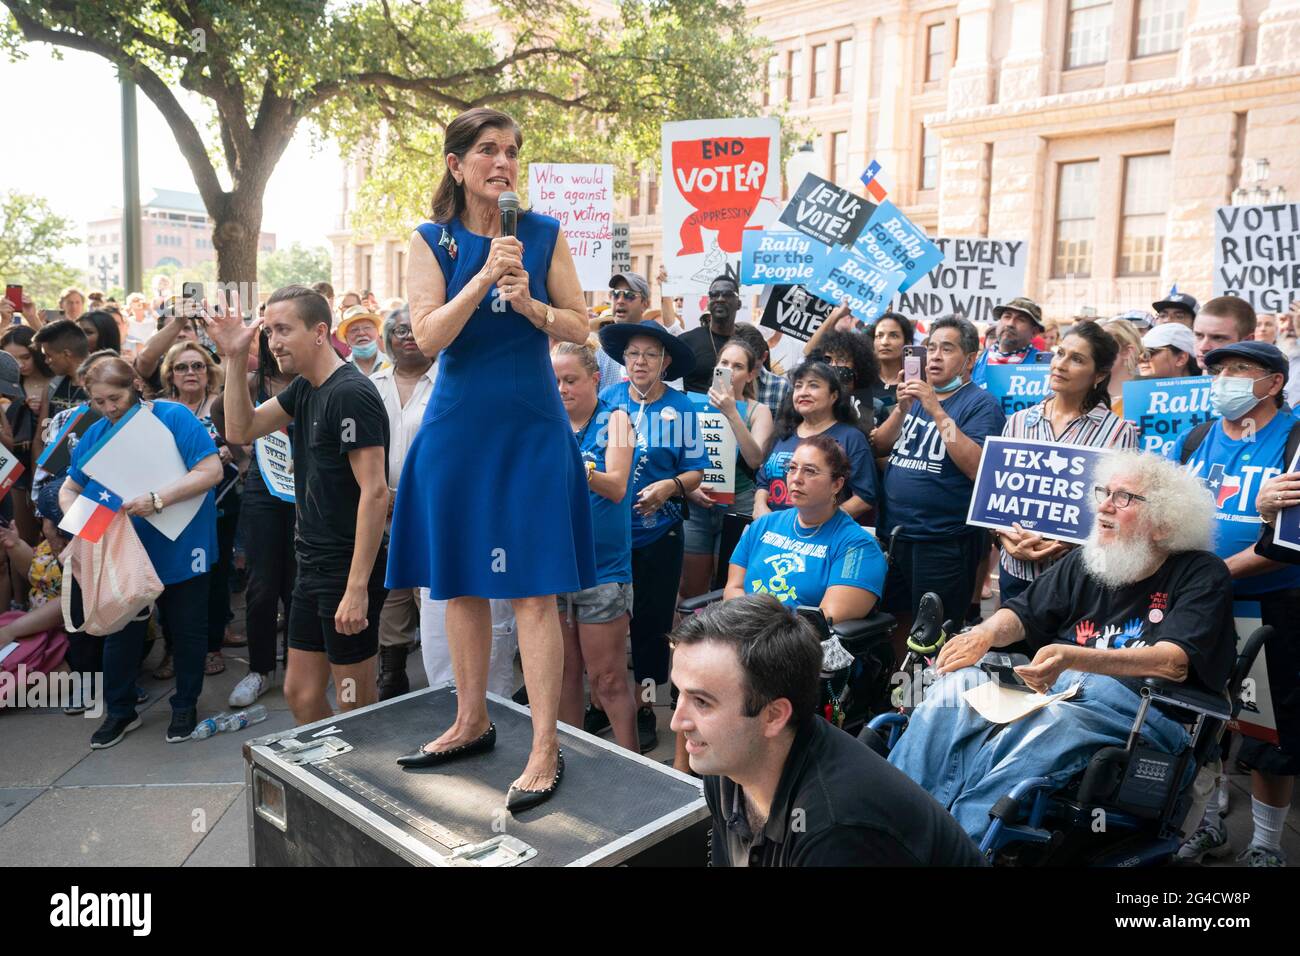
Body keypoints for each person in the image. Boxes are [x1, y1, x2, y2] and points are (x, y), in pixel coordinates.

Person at [384, 108, 596, 811]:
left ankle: (543, 746)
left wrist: (531, 304)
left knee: (533, 588)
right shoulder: (430, 241)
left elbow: (581, 325)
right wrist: (481, 279)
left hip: (531, 428)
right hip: (458, 431)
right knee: (461, 583)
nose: (502, 162)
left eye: (511, 151)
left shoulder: (544, 234)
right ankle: (470, 720)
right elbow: (429, 336)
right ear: (456, 165)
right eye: (486, 150)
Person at [889, 451, 1236, 842]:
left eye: (1124, 498)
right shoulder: (1088, 561)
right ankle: (894, 819)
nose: (1103, 503)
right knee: (953, 689)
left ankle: (961, 842)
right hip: (1053, 686)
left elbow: (1173, 663)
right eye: (1104, 491)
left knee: (1039, 728)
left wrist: (1074, 657)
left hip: (1137, 710)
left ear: (1163, 524)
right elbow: (1022, 613)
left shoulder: (1202, 574)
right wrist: (982, 635)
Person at [670, 594, 985, 865]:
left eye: (702, 702)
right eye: (679, 693)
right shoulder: (725, 764)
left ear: (773, 716)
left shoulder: (834, 828)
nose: (676, 722)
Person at [210, 285, 391, 728]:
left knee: (353, 700)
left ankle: (365, 785)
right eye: (269, 331)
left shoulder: (350, 393)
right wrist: (235, 357)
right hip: (311, 564)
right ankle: (335, 776)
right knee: (301, 692)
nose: (274, 342)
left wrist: (356, 590)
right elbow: (241, 428)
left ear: (319, 332)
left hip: (346, 570)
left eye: (284, 330)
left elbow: (375, 492)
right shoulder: (306, 389)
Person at [1169, 340, 1300, 867]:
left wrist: (1212, 577)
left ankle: (1267, 844)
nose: (1223, 378)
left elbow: (1291, 542)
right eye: (1218, 369)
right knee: (1204, 722)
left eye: (1239, 369)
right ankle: (1209, 822)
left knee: (1268, 732)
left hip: (1270, 608)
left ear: (1272, 382)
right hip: (1203, 608)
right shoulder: (1195, 437)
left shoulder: (1293, 441)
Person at [59, 357, 223, 747]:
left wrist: (158, 499)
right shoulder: (96, 434)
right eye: (99, 401)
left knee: (186, 629)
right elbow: (70, 489)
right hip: (128, 553)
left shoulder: (173, 416)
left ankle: (185, 704)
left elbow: (211, 470)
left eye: (114, 397)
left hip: (184, 541)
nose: (109, 408)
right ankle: (120, 711)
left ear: (134, 384)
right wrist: (84, 524)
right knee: (121, 632)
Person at [594, 319, 705, 750]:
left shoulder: (682, 407)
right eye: (634, 354)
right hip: (610, 535)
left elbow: (696, 470)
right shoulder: (607, 399)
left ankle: (643, 707)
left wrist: (670, 488)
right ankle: (604, 700)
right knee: (603, 619)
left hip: (660, 534)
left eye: (651, 355)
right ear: (623, 359)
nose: (641, 362)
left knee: (652, 625)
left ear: (666, 362)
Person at [872, 315, 1006, 650]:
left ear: (970, 360)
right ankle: (899, 696)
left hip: (942, 542)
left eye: (947, 349)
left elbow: (975, 465)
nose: (934, 356)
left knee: (933, 637)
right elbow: (880, 445)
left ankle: (927, 698)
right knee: (896, 625)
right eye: (930, 348)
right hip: (898, 537)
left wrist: (936, 410)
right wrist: (902, 409)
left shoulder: (980, 404)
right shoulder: (915, 398)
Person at [996, 322, 1137, 604]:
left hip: (1077, 580)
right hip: (1015, 571)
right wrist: (1006, 540)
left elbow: (1119, 509)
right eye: (1060, 353)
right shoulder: (1019, 422)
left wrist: (1065, 541)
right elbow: (999, 497)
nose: (1060, 365)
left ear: (1099, 375)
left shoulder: (1119, 433)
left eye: (1077, 359)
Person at [551, 342, 639, 752]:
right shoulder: (546, 422)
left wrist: (578, 467)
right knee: (564, 674)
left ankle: (635, 769)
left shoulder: (616, 420)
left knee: (608, 682)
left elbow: (618, 486)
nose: (561, 388)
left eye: (570, 380)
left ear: (595, 380)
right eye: (554, 381)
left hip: (603, 571)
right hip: (553, 569)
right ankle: (568, 760)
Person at [214, 327, 296, 709]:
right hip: (264, 489)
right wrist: (245, 459)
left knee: (299, 584)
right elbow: (220, 411)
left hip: (309, 493)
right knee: (262, 586)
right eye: (272, 336)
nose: (279, 343)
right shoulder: (253, 381)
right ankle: (260, 670)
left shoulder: (318, 377)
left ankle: (299, 663)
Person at [726, 436, 886, 620]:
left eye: (810, 471)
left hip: (798, 644)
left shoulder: (857, 546)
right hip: (743, 629)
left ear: (837, 484)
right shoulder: (764, 524)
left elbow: (825, 620)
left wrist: (763, 627)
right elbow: (733, 589)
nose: (796, 478)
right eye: (792, 468)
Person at [161, 342, 240, 679]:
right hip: (172, 507)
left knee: (216, 573)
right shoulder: (160, 409)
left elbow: (246, 445)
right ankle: (171, 649)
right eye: (182, 367)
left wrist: (226, 452)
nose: (191, 373)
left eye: (198, 366)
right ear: (170, 375)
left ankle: (212, 645)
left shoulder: (222, 406)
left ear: (210, 372)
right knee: (171, 580)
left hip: (220, 503)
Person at [369, 307, 436, 699]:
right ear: (386, 339)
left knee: (431, 596)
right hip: (380, 506)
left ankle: (444, 682)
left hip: (430, 508)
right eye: (399, 330)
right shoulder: (370, 385)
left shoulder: (448, 382)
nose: (407, 336)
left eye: (415, 329)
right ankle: (391, 677)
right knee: (392, 592)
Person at [679, 338, 774, 599]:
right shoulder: (692, 405)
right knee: (692, 589)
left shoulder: (759, 411)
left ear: (752, 373)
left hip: (738, 505)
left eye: (738, 366)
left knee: (729, 588)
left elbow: (755, 459)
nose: (729, 370)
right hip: (698, 503)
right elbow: (677, 458)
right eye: (724, 363)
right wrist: (689, 490)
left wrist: (732, 412)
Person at [754, 359, 876, 519]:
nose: (803, 392)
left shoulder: (851, 438)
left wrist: (821, 522)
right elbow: (763, 482)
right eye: (798, 386)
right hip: (775, 533)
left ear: (834, 396)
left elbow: (864, 497)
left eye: (813, 385)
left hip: (822, 536)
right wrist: (760, 506)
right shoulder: (783, 434)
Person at [2, 326, 52, 543]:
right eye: (11, 359)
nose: (19, 365)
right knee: (19, 536)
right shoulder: (6, 385)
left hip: (47, 463)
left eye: (25, 357)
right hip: (13, 465)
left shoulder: (56, 383)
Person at [677, 274, 741, 394]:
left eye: (727, 294)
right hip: (693, 411)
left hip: (736, 411)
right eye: (714, 295)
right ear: (708, 303)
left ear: (739, 304)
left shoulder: (748, 341)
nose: (720, 299)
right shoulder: (686, 341)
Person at [970, 297, 1046, 386]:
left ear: (1034, 332)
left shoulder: (1043, 366)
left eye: (1021, 320)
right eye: (1007, 316)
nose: (1010, 324)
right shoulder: (976, 361)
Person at [594, 271, 651, 386]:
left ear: (645, 304)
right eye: (615, 294)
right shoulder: (601, 352)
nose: (620, 300)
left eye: (629, 295)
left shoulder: (657, 347)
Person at [729, 321, 792, 417]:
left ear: (764, 356)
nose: (749, 376)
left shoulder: (782, 387)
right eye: (739, 366)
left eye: (754, 368)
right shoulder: (719, 381)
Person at [32, 319, 90, 419]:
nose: (46, 361)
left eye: (49, 356)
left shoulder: (101, 384)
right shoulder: (52, 386)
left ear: (66, 354)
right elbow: (42, 431)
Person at [868, 311, 913, 414]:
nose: (884, 342)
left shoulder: (913, 385)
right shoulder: (861, 379)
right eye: (879, 336)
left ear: (908, 344)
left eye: (894, 336)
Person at [1192, 295, 1253, 368]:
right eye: (1199, 335)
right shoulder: (1178, 376)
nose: (1203, 347)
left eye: (1217, 338)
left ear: (1247, 341)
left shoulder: (1267, 378)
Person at [1099, 317, 1143, 416]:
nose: (1096, 352)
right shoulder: (1082, 394)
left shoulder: (1148, 396)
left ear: (1126, 351)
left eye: (1105, 346)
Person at [338, 305, 392, 377]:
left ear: (378, 333)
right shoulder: (341, 370)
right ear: (346, 339)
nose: (361, 333)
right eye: (354, 330)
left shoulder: (393, 364)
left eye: (367, 327)